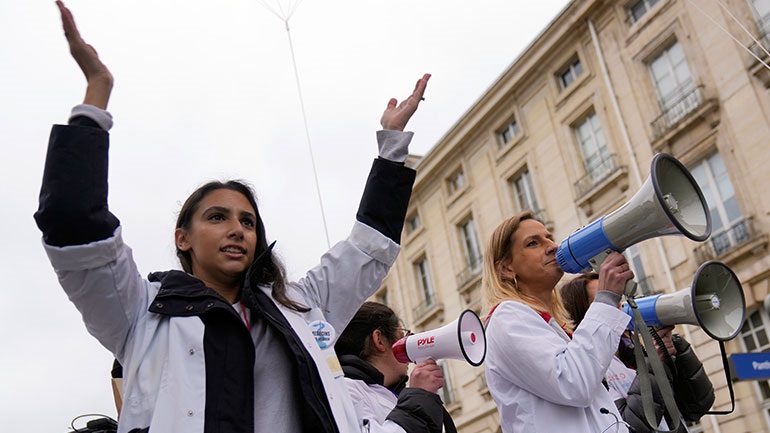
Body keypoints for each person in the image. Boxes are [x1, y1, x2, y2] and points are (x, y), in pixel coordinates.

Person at [35, 2, 430, 433]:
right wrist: (96, 94)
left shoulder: (301, 307)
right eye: (218, 217)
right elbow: (75, 228)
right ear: (182, 238)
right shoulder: (140, 310)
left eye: (248, 221)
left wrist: (391, 146)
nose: (237, 230)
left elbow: (368, 248)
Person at [481, 211, 634, 433]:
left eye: (549, 237)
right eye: (533, 243)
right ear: (506, 268)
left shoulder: (543, 323)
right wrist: (606, 298)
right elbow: (573, 382)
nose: (553, 246)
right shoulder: (507, 317)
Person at [560, 273, 715, 433]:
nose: (618, 305)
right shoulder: (589, 370)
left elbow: (698, 406)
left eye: (617, 297)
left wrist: (677, 352)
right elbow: (631, 426)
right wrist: (655, 366)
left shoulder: (637, 354)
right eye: (606, 300)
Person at [334, 301, 456, 433]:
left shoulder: (395, 395)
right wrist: (419, 397)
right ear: (379, 340)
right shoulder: (346, 391)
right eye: (401, 337)